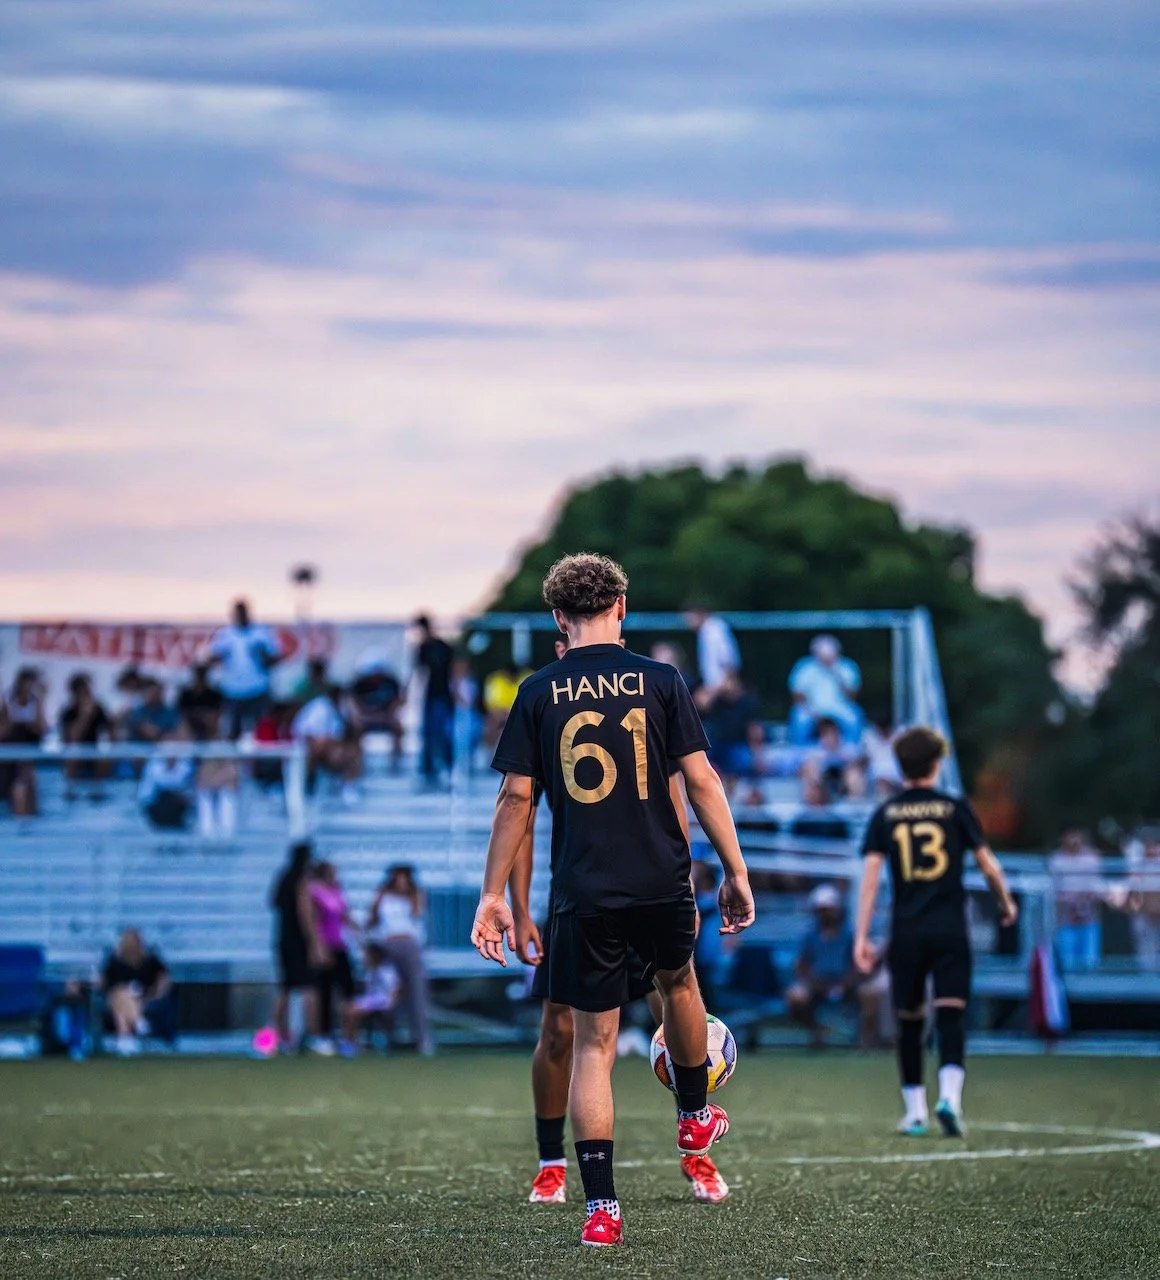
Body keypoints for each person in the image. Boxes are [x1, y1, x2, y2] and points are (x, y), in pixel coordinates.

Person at [471, 553, 755, 1247]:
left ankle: (602, 1210)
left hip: (585, 887)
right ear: (621, 607)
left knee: (595, 1046)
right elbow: (703, 781)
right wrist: (736, 869)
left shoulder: (537, 690)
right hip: (662, 878)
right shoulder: (661, 680)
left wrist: (492, 896)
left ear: (557, 618)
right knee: (680, 985)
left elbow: (516, 798)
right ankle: (693, 1114)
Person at [507, 637, 729, 1208]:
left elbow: (680, 797)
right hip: (580, 892)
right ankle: (552, 1163)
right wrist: (523, 908)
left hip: (646, 886)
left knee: (673, 1014)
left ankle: (696, 1149)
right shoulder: (552, 704)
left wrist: (687, 885)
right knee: (561, 1031)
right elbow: (522, 813)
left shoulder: (635, 695)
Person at [854, 726, 1017, 1138]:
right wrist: (1006, 903)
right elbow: (989, 865)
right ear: (936, 763)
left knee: (909, 1022)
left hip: (905, 931)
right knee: (951, 1016)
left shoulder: (885, 814)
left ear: (901, 765)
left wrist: (861, 937)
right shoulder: (954, 807)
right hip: (949, 930)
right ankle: (950, 1099)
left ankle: (914, 1112)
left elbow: (871, 880)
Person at [786, 884, 879, 1049]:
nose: (825, 914)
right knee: (795, 996)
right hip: (817, 985)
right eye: (821, 910)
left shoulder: (851, 934)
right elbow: (801, 965)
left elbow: (861, 965)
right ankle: (816, 1031)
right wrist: (815, 982)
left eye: (828, 909)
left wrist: (844, 983)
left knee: (870, 994)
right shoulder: (809, 935)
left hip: (848, 984)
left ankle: (865, 1041)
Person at [367, 864, 433, 1055]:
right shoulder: (383, 896)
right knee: (389, 994)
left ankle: (422, 1039)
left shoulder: (414, 896)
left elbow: (417, 914)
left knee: (417, 993)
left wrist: (412, 894)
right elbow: (372, 919)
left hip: (409, 945)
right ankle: (387, 1037)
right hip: (388, 946)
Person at [206, 599, 283, 739]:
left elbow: (276, 657)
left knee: (261, 730)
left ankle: (261, 759)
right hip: (233, 690)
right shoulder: (225, 634)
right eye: (238, 613)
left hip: (258, 689)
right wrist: (221, 657)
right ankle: (234, 760)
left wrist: (263, 657)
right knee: (233, 731)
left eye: (243, 612)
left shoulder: (261, 633)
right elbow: (211, 657)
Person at [269, 841, 319, 1051]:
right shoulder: (303, 880)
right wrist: (315, 941)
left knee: (285, 989)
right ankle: (313, 1036)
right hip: (299, 941)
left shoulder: (283, 877)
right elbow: (305, 912)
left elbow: (273, 903)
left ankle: (280, 1036)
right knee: (309, 989)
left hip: (282, 938)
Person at [101, 928, 177, 1054]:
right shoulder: (115, 960)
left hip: (143, 997)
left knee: (121, 1005)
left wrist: (159, 991)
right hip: (116, 997)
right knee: (121, 993)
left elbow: (164, 976)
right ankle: (138, 1021)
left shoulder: (150, 960)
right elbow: (105, 981)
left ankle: (124, 1040)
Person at [308, 860, 357, 1054]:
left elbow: (344, 915)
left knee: (347, 990)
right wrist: (317, 946)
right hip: (325, 946)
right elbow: (313, 920)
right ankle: (323, 1036)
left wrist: (359, 931)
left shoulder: (337, 891)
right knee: (325, 992)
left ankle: (348, 1036)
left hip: (340, 946)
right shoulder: (315, 892)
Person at [291, 685, 363, 807]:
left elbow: (352, 732)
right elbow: (310, 735)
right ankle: (307, 782)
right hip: (305, 746)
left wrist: (353, 712)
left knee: (354, 751)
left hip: (329, 748)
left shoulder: (341, 710)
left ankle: (349, 787)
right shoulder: (319, 708)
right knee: (320, 745)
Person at [788, 634, 863, 744]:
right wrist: (811, 709)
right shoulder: (805, 667)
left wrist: (836, 674)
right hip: (811, 708)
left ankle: (851, 750)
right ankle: (800, 752)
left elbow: (852, 696)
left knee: (854, 718)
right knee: (799, 718)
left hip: (839, 707)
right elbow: (796, 694)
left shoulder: (846, 667)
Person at [703, 671, 765, 803]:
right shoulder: (717, 701)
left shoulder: (747, 702)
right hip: (715, 746)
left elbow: (755, 730)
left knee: (743, 760)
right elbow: (702, 705)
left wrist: (757, 753)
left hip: (739, 745)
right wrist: (717, 690)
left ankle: (732, 794)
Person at [1048, 829, 1104, 972]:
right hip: (1065, 919)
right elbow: (1053, 891)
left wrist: (1083, 900)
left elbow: (1097, 888)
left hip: (1088, 918)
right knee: (1067, 963)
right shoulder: (1056, 860)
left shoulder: (1092, 859)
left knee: (1090, 963)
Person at [414, 615, 454, 787]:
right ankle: (428, 770)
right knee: (429, 735)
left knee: (443, 734)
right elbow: (420, 673)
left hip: (443, 696)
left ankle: (446, 768)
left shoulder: (442, 647)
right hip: (430, 697)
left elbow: (454, 671)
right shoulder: (423, 648)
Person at [1, 666, 47, 816]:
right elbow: (4, 730)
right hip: (9, 752)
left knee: (28, 783)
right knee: (18, 787)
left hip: (28, 752)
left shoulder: (36, 702)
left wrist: (41, 701)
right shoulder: (8, 700)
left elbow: (41, 729)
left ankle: (30, 817)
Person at [347, 653, 406, 771]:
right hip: (366, 717)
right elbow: (353, 704)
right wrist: (362, 716)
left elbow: (399, 701)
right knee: (355, 728)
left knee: (398, 728)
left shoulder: (391, 683)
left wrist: (388, 714)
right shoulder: (359, 684)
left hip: (385, 717)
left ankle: (396, 762)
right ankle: (357, 762)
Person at [59, 672, 112, 801]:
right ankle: (70, 789)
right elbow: (73, 737)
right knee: (72, 755)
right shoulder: (68, 712)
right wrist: (84, 716)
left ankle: (97, 789)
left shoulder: (98, 709)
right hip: (75, 751)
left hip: (93, 751)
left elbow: (110, 731)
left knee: (105, 757)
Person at [341, 941, 401, 1051]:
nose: (364, 957)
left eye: (366, 954)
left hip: (381, 1001)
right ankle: (348, 1040)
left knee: (353, 1012)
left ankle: (351, 1043)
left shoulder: (386, 970)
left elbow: (395, 989)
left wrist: (391, 1003)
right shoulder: (369, 970)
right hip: (371, 1000)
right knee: (346, 1008)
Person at [801, 717, 867, 805]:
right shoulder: (815, 752)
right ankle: (815, 804)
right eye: (826, 734)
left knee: (854, 774)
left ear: (837, 733)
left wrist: (849, 764)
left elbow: (861, 762)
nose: (830, 737)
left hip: (844, 783)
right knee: (810, 768)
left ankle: (854, 804)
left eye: (832, 732)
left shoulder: (849, 749)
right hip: (823, 784)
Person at [683, 607, 740, 708]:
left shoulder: (715, 630)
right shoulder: (706, 631)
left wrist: (724, 684)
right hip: (715, 686)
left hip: (720, 686)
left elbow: (727, 658)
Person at [137, 734, 196, 830]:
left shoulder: (186, 763)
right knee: (166, 795)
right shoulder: (153, 763)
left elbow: (185, 785)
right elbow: (161, 784)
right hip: (155, 805)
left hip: (179, 807)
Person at [1127, 834, 1160, 972]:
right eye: (1148, 845)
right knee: (1146, 961)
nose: (1151, 849)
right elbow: (1131, 896)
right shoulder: (1135, 865)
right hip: (1144, 918)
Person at [482, 661, 533, 747]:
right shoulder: (495, 680)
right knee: (493, 720)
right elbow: (492, 709)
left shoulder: (527, 678)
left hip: (518, 716)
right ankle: (488, 747)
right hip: (501, 717)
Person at [177, 664, 225, 742]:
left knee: (211, 719)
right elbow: (182, 713)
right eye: (198, 676)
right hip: (190, 724)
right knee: (183, 725)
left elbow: (217, 713)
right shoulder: (186, 695)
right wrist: (198, 714)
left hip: (209, 726)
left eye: (202, 676)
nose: (200, 679)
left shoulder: (214, 695)